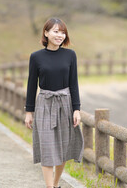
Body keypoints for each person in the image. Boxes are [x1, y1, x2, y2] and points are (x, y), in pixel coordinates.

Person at [24, 17, 84, 188]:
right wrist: (29, 112)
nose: (60, 35)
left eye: (63, 32)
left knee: (63, 148)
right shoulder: (36, 57)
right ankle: (49, 186)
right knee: (48, 148)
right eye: (56, 31)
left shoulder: (70, 55)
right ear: (46, 33)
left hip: (65, 103)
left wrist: (76, 109)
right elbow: (31, 85)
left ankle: (56, 184)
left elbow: (74, 83)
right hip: (44, 103)